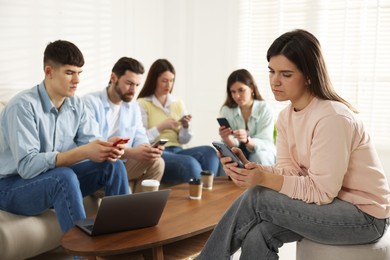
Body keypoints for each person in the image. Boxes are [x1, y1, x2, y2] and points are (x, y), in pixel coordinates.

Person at [197, 29, 390, 259]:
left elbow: (321, 192)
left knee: (258, 196)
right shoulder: (286, 117)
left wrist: (262, 180)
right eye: (271, 72)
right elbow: (290, 172)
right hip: (331, 206)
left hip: (364, 217)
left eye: (286, 74)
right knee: (258, 234)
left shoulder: (333, 118)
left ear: (308, 75)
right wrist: (254, 169)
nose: (274, 81)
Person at [0, 40, 129, 234]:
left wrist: (106, 147)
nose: (77, 80)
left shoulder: (76, 105)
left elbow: (91, 142)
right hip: (11, 187)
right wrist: (83, 151)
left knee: (113, 166)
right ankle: (85, 255)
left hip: (51, 180)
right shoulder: (23, 106)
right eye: (69, 73)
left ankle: (122, 241)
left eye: (79, 73)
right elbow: (27, 167)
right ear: (49, 72)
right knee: (63, 177)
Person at [83, 57, 164, 193]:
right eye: (129, 83)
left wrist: (147, 150)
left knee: (157, 162)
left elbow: (140, 136)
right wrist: (131, 152)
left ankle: (141, 209)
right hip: (98, 166)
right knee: (116, 166)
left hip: (123, 162)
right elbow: (93, 145)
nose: (133, 90)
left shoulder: (133, 106)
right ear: (113, 77)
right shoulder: (90, 103)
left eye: (137, 85)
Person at [137, 59, 219, 183]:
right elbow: (140, 139)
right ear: (154, 80)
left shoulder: (177, 103)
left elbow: (184, 140)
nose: (168, 85)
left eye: (171, 80)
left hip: (178, 149)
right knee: (190, 164)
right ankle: (200, 198)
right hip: (159, 153)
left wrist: (185, 127)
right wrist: (161, 127)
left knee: (210, 153)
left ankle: (209, 194)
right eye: (164, 81)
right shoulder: (142, 104)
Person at [219, 69, 276, 165]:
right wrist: (227, 139)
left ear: (252, 88)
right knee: (228, 158)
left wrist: (247, 140)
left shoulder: (265, 109)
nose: (237, 96)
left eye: (241, 90)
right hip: (238, 151)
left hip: (263, 151)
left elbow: (266, 142)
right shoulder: (227, 110)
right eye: (233, 92)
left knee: (258, 157)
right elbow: (234, 145)